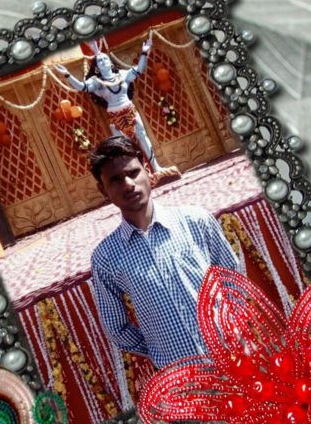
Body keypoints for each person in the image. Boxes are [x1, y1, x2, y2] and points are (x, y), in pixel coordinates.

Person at [89, 135, 242, 370]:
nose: (128, 184)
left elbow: (233, 279)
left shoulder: (194, 221)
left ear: (147, 171)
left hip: (235, 359)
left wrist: (232, 330)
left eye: (133, 173)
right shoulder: (106, 257)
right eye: (115, 180)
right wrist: (161, 352)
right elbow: (116, 327)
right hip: (182, 379)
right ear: (103, 190)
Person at [54, 38, 162, 171]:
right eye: (99, 61)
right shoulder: (97, 82)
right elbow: (81, 87)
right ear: (98, 67)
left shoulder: (122, 75)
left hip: (130, 111)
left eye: (105, 59)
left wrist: (144, 52)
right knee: (124, 146)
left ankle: (156, 168)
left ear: (110, 62)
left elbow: (139, 70)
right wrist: (67, 75)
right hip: (115, 117)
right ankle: (139, 171)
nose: (103, 61)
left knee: (143, 137)